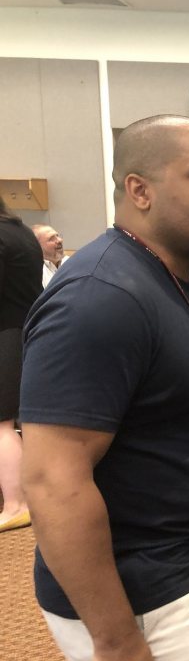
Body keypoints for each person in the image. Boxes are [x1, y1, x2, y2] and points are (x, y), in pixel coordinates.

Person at [19, 115, 189, 661]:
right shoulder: (99, 298)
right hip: (144, 592)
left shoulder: (184, 275)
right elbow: (53, 482)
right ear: (138, 190)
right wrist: (116, 641)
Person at [0, 196, 43, 532]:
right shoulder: (22, 231)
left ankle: (15, 504)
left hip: (5, 336)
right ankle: (33, 495)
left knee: (2, 426)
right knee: (27, 423)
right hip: (29, 331)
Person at [31, 223, 69, 288]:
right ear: (37, 245)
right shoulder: (35, 271)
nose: (60, 240)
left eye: (58, 236)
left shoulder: (70, 261)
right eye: (51, 238)